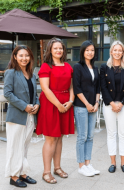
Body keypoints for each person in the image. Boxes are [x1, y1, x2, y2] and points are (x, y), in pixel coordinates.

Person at [36, 38, 75, 184]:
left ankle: (57, 167)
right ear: (50, 50)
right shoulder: (46, 66)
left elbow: (72, 86)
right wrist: (59, 105)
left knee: (59, 137)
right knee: (51, 138)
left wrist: (70, 101)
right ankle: (46, 172)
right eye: (55, 48)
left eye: (61, 48)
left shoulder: (68, 66)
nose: (59, 50)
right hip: (51, 103)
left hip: (66, 103)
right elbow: (45, 89)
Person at [4, 45, 40, 188]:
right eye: (21, 55)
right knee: (15, 147)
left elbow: (35, 94)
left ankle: (23, 173)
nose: (24, 58)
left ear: (30, 57)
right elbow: (8, 94)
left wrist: (37, 104)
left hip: (30, 116)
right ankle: (13, 176)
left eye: (27, 55)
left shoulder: (31, 74)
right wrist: (24, 106)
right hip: (17, 115)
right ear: (15, 57)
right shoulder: (10, 73)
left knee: (24, 146)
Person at [100, 41, 124, 173]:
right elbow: (103, 86)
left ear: (123, 52)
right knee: (111, 134)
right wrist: (112, 103)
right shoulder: (104, 67)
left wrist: (121, 103)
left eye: (120, 50)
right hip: (109, 105)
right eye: (115, 50)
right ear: (111, 52)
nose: (118, 52)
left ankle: (123, 163)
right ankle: (113, 163)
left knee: (123, 134)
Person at [73, 40, 100, 177]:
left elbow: (97, 88)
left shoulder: (95, 68)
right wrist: (87, 104)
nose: (90, 52)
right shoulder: (78, 67)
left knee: (90, 136)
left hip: (93, 106)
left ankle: (88, 164)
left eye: (92, 50)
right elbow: (77, 88)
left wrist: (96, 103)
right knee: (82, 136)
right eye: (87, 50)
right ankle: (81, 166)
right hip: (81, 107)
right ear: (83, 51)